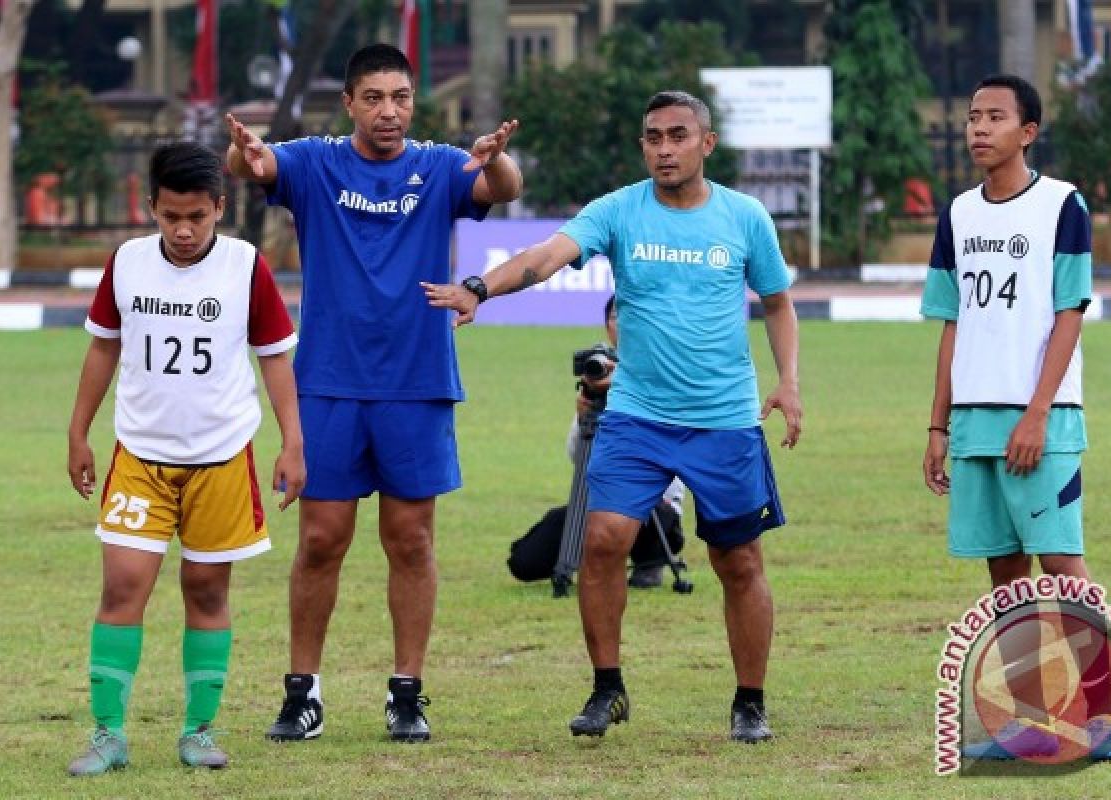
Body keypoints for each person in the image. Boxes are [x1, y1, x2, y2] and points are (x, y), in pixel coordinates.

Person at [424, 90, 801, 743]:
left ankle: (750, 702)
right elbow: (544, 257)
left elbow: (777, 302)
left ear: (705, 144)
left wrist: (789, 381)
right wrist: (481, 288)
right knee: (601, 542)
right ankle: (607, 689)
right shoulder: (620, 210)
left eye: (678, 135)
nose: (664, 148)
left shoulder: (745, 218)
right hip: (637, 415)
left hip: (725, 420)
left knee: (738, 562)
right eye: (653, 136)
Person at [225, 43, 523, 743]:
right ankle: (303, 694)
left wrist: (495, 156)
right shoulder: (316, 160)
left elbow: (499, 189)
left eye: (401, 97)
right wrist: (243, 151)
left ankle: (407, 693)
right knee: (322, 541)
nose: (389, 111)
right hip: (329, 384)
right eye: (375, 98)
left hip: (416, 385)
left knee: (411, 541)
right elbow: (255, 167)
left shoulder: (443, 165)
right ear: (350, 103)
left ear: (412, 102)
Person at [65, 142, 304, 776]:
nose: (183, 229)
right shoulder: (128, 264)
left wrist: (293, 442)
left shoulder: (245, 266)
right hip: (141, 456)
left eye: (196, 216)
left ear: (219, 209)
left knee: (205, 589)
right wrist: (78, 432)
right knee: (122, 587)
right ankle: (106, 734)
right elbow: (102, 350)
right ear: (151, 207)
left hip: (222, 457)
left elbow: (274, 355)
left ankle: (199, 731)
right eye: (170, 215)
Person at [921, 74, 1111, 760]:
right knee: (1005, 578)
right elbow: (951, 322)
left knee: (1063, 569)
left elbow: (1070, 311)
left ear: (1028, 131)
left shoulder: (1061, 205)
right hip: (974, 422)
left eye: (994, 117)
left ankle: (1104, 718)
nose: (978, 128)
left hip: (1044, 416)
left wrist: (1037, 414)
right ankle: (1035, 721)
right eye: (972, 116)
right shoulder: (957, 213)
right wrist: (937, 425)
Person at [507, 295, 686, 588]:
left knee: (657, 513)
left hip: (654, 501)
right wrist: (584, 416)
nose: (623, 323)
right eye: (616, 317)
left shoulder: (662, 372)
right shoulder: (599, 372)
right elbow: (576, 455)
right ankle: (578, 561)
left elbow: (673, 451)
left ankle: (649, 563)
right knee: (524, 561)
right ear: (607, 326)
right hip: (597, 501)